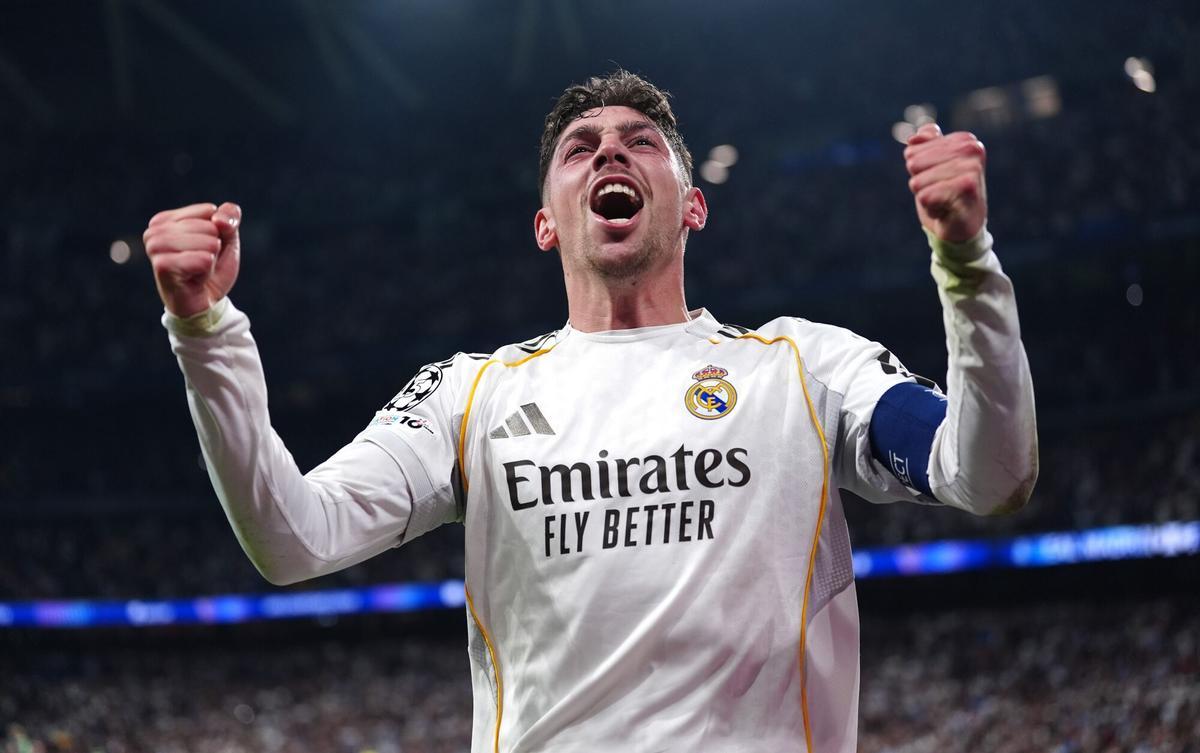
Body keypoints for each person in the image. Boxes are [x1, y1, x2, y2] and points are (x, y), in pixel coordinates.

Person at [145, 71, 1037, 752]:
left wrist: (966, 263)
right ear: (546, 221)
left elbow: (989, 474)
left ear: (692, 206)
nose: (610, 151)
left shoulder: (804, 366)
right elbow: (293, 536)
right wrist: (204, 331)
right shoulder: (470, 394)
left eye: (641, 140)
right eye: (581, 147)